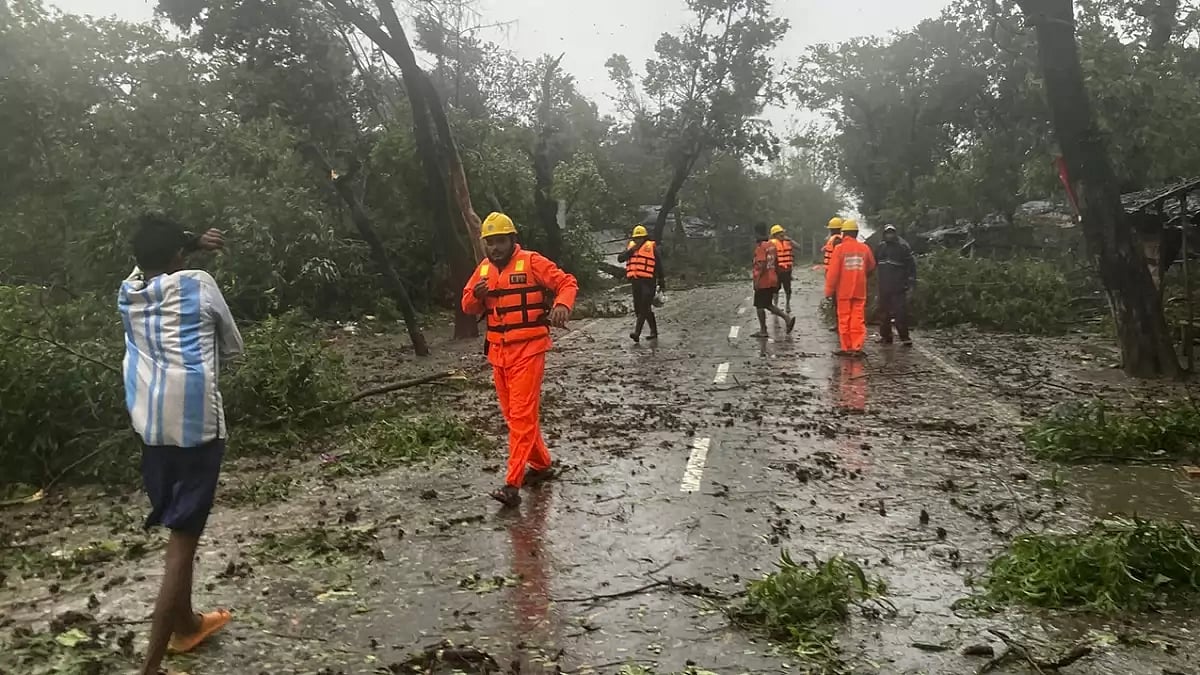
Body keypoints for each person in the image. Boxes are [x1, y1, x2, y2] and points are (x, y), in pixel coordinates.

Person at [118, 214, 243, 675]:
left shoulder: (126, 292)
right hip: (196, 430)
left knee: (177, 527)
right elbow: (232, 347)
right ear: (177, 256)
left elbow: (147, 263)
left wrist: (184, 244)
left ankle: (188, 622)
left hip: (149, 428)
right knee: (182, 543)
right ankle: (152, 664)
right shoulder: (200, 284)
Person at [462, 212, 578, 508]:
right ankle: (541, 464)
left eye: (500, 241)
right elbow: (467, 306)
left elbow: (566, 282)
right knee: (514, 417)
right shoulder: (484, 270)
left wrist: (563, 304)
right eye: (490, 243)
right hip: (498, 353)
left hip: (529, 349)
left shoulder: (532, 261)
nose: (495, 248)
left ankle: (512, 485)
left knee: (522, 416)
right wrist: (476, 295)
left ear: (512, 240)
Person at [824, 219, 876, 357]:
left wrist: (829, 291)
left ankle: (846, 347)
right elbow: (871, 266)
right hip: (860, 289)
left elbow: (833, 273)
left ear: (844, 233)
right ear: (856, 233)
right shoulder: (865, 248)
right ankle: (857, 347)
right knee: (858, 318)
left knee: (844, 318)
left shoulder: (839, 249)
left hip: (844, 291)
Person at [617, 224, 664, 343]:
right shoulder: (631, 249)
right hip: (636, 282)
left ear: (645, 238)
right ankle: (654, 332)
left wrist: (662, 281)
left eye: (640, 237)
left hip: (649, 282)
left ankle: (637, 333)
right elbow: (620, 258)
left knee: (644, 306)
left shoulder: (652, 248)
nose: (638, 240)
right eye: (636, 238)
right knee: (640, 309)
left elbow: (659, 266)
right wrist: (630, 251)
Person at [874, 224, 917, 346]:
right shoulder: (880, 248)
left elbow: (911, 267)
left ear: (895, 234)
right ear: (884, 234)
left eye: (892, 233)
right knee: (883, 313)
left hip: (898, 287)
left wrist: (911, 283)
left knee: (900, 313)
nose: (889, 235)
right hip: (883, 286)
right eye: (887, 233)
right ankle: (886, 336)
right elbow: (874, 263)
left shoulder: (903, 248)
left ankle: (905, 337)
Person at [752, 224, 796, 338]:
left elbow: (761, 264)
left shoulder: (761, 247)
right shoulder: (772, 245)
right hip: (772, 277)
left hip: (763, 280)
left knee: (760, 306)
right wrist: (776, 276)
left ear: (757, 234)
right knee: (767, 304)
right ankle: (786, 319)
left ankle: (764, 330)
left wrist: (756, 280)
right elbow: (776, 262)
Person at [821, 217, 845, 332]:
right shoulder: (836, 239)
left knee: (837, 300)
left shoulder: (837, 240)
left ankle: (839, 324)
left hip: (835, 274)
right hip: (833, 272)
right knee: (836, 300)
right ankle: (839, 323)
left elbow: (837, 258)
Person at [769, 224, 795, 312]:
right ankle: (775, 306)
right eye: (780, 233)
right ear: (775, 235)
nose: (782, 235)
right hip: (776, 270)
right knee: (775, 289)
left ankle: (788, 305)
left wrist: (790, 240)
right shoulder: (772, 243)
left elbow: (798, 247)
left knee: (788, 289)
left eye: (782, 233)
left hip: (787, 270)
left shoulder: (787, 242)